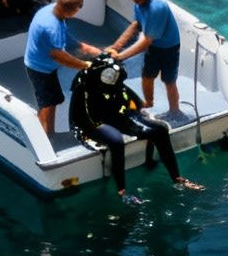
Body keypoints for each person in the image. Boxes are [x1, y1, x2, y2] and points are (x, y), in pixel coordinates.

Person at [70, 53, 203, 204]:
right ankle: (122, 191)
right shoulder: (84, 87)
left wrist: (139, 109)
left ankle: (177, 177)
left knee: (159, 130)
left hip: (116, 116)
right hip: (94, 122)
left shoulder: (115, 84)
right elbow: (83, 117)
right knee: (116, 141)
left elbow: (128, 97)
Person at [24, 0, 106, 139]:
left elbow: (71, 43)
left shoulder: (51, 10)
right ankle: (47, 137)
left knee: (53, 100)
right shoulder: (52, 27)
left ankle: (45, 129)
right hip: (40, 68)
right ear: (70, 11)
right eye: (76, 10)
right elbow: (59, 56)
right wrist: (85, 65)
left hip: (44, 63)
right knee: (48, 103)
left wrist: (97, 52)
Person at [108, 0, 184, 116]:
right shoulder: (139, 3)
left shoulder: (156, 7)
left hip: (169, 48)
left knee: (169, 81)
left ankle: (175, 111)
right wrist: (117, 45)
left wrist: (120, 56)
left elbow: (146, 41)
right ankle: (148, 103)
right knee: (147, 77)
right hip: (154, 46)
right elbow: (136, 24)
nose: (134, 1)